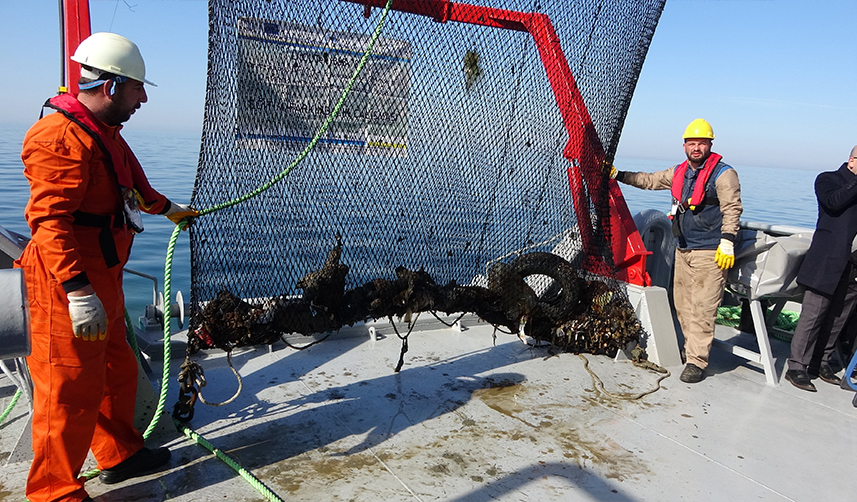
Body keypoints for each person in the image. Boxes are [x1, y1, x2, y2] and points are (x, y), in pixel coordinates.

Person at [15, 32, 197, 502]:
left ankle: (118, 453)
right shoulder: (57, 136)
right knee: (67, 391)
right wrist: (77, 292)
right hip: (65, 285)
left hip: (106, 276)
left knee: (117, 370)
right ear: (111, 87)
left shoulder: (104, 133)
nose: (143, 98)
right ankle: (54, 493)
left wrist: (167, 207)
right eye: (138, 87)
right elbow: (49, 222)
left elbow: (130, 184)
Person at [611, 119, 743, 383]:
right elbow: (649, 180)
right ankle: (689, 351)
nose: (696, 148)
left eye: (702, 143)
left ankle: (697, 361)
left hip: (710, 252)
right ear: (684, 145)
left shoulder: (724, 174)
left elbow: (732, 209)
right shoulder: (680, 171)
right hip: (683, 248)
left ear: (710, 145)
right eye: (692, 143)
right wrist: (619, 175)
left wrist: (727, 241)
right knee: (682, 305)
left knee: (703, 308)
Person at [784, 146, 857, 392]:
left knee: (839, 317)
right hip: (827, 260)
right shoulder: (828, 179)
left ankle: (821, 362)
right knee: (813, 316)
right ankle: (797, 367)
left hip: (853, 265)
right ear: (851, 160)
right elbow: (833, 203)